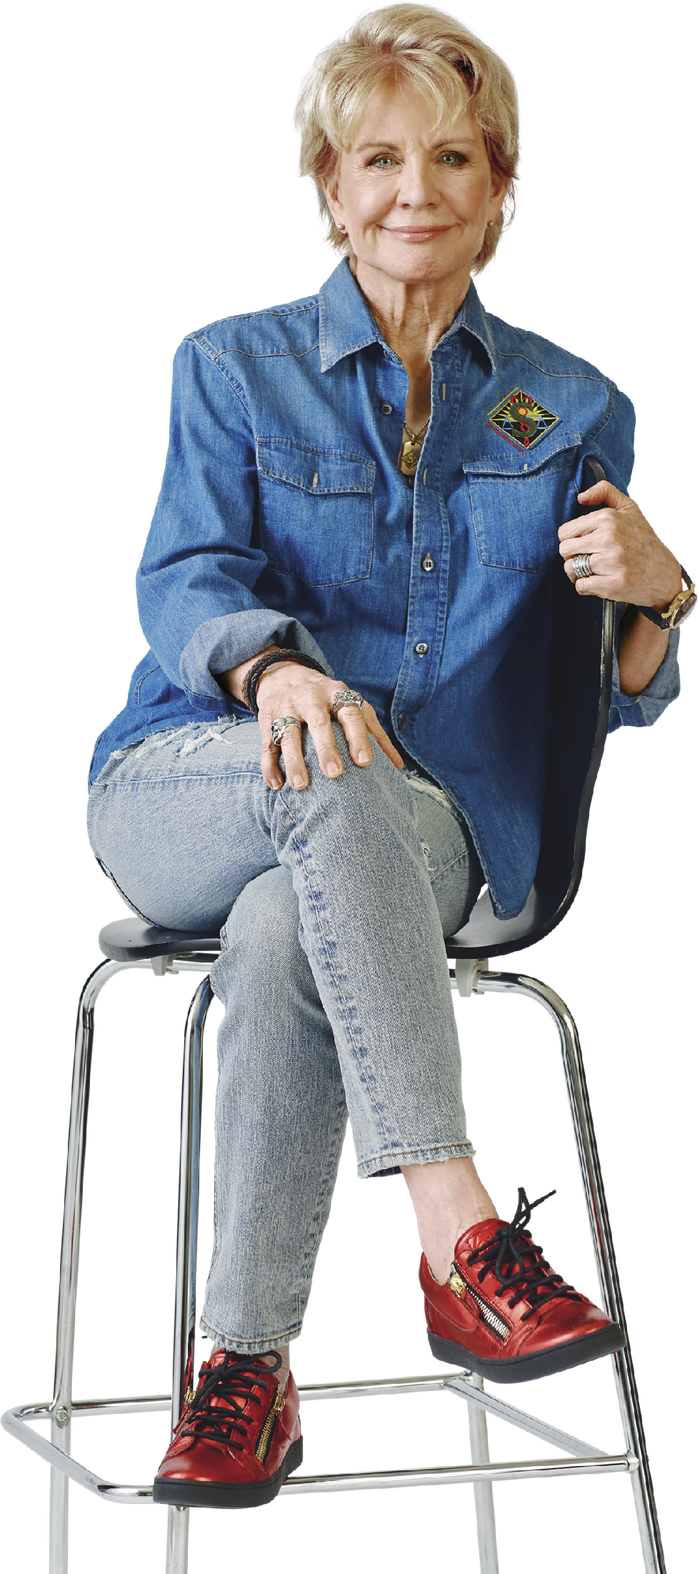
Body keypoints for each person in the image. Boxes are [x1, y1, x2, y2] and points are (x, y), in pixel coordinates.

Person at [84, 5, 693, 1512]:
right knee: (319, 761)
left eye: (451, 157)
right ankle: (459, 1229)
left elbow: (610, 700)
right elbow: (183, 581)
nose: (413, 188)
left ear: (499, 192)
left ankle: (241, 1375)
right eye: (377, 157)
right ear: (325, 183)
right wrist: (277, 666)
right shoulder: (231, 366)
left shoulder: (573, 404)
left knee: (305, 903)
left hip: (440, 834)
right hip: (192, 784)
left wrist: (662, 591)